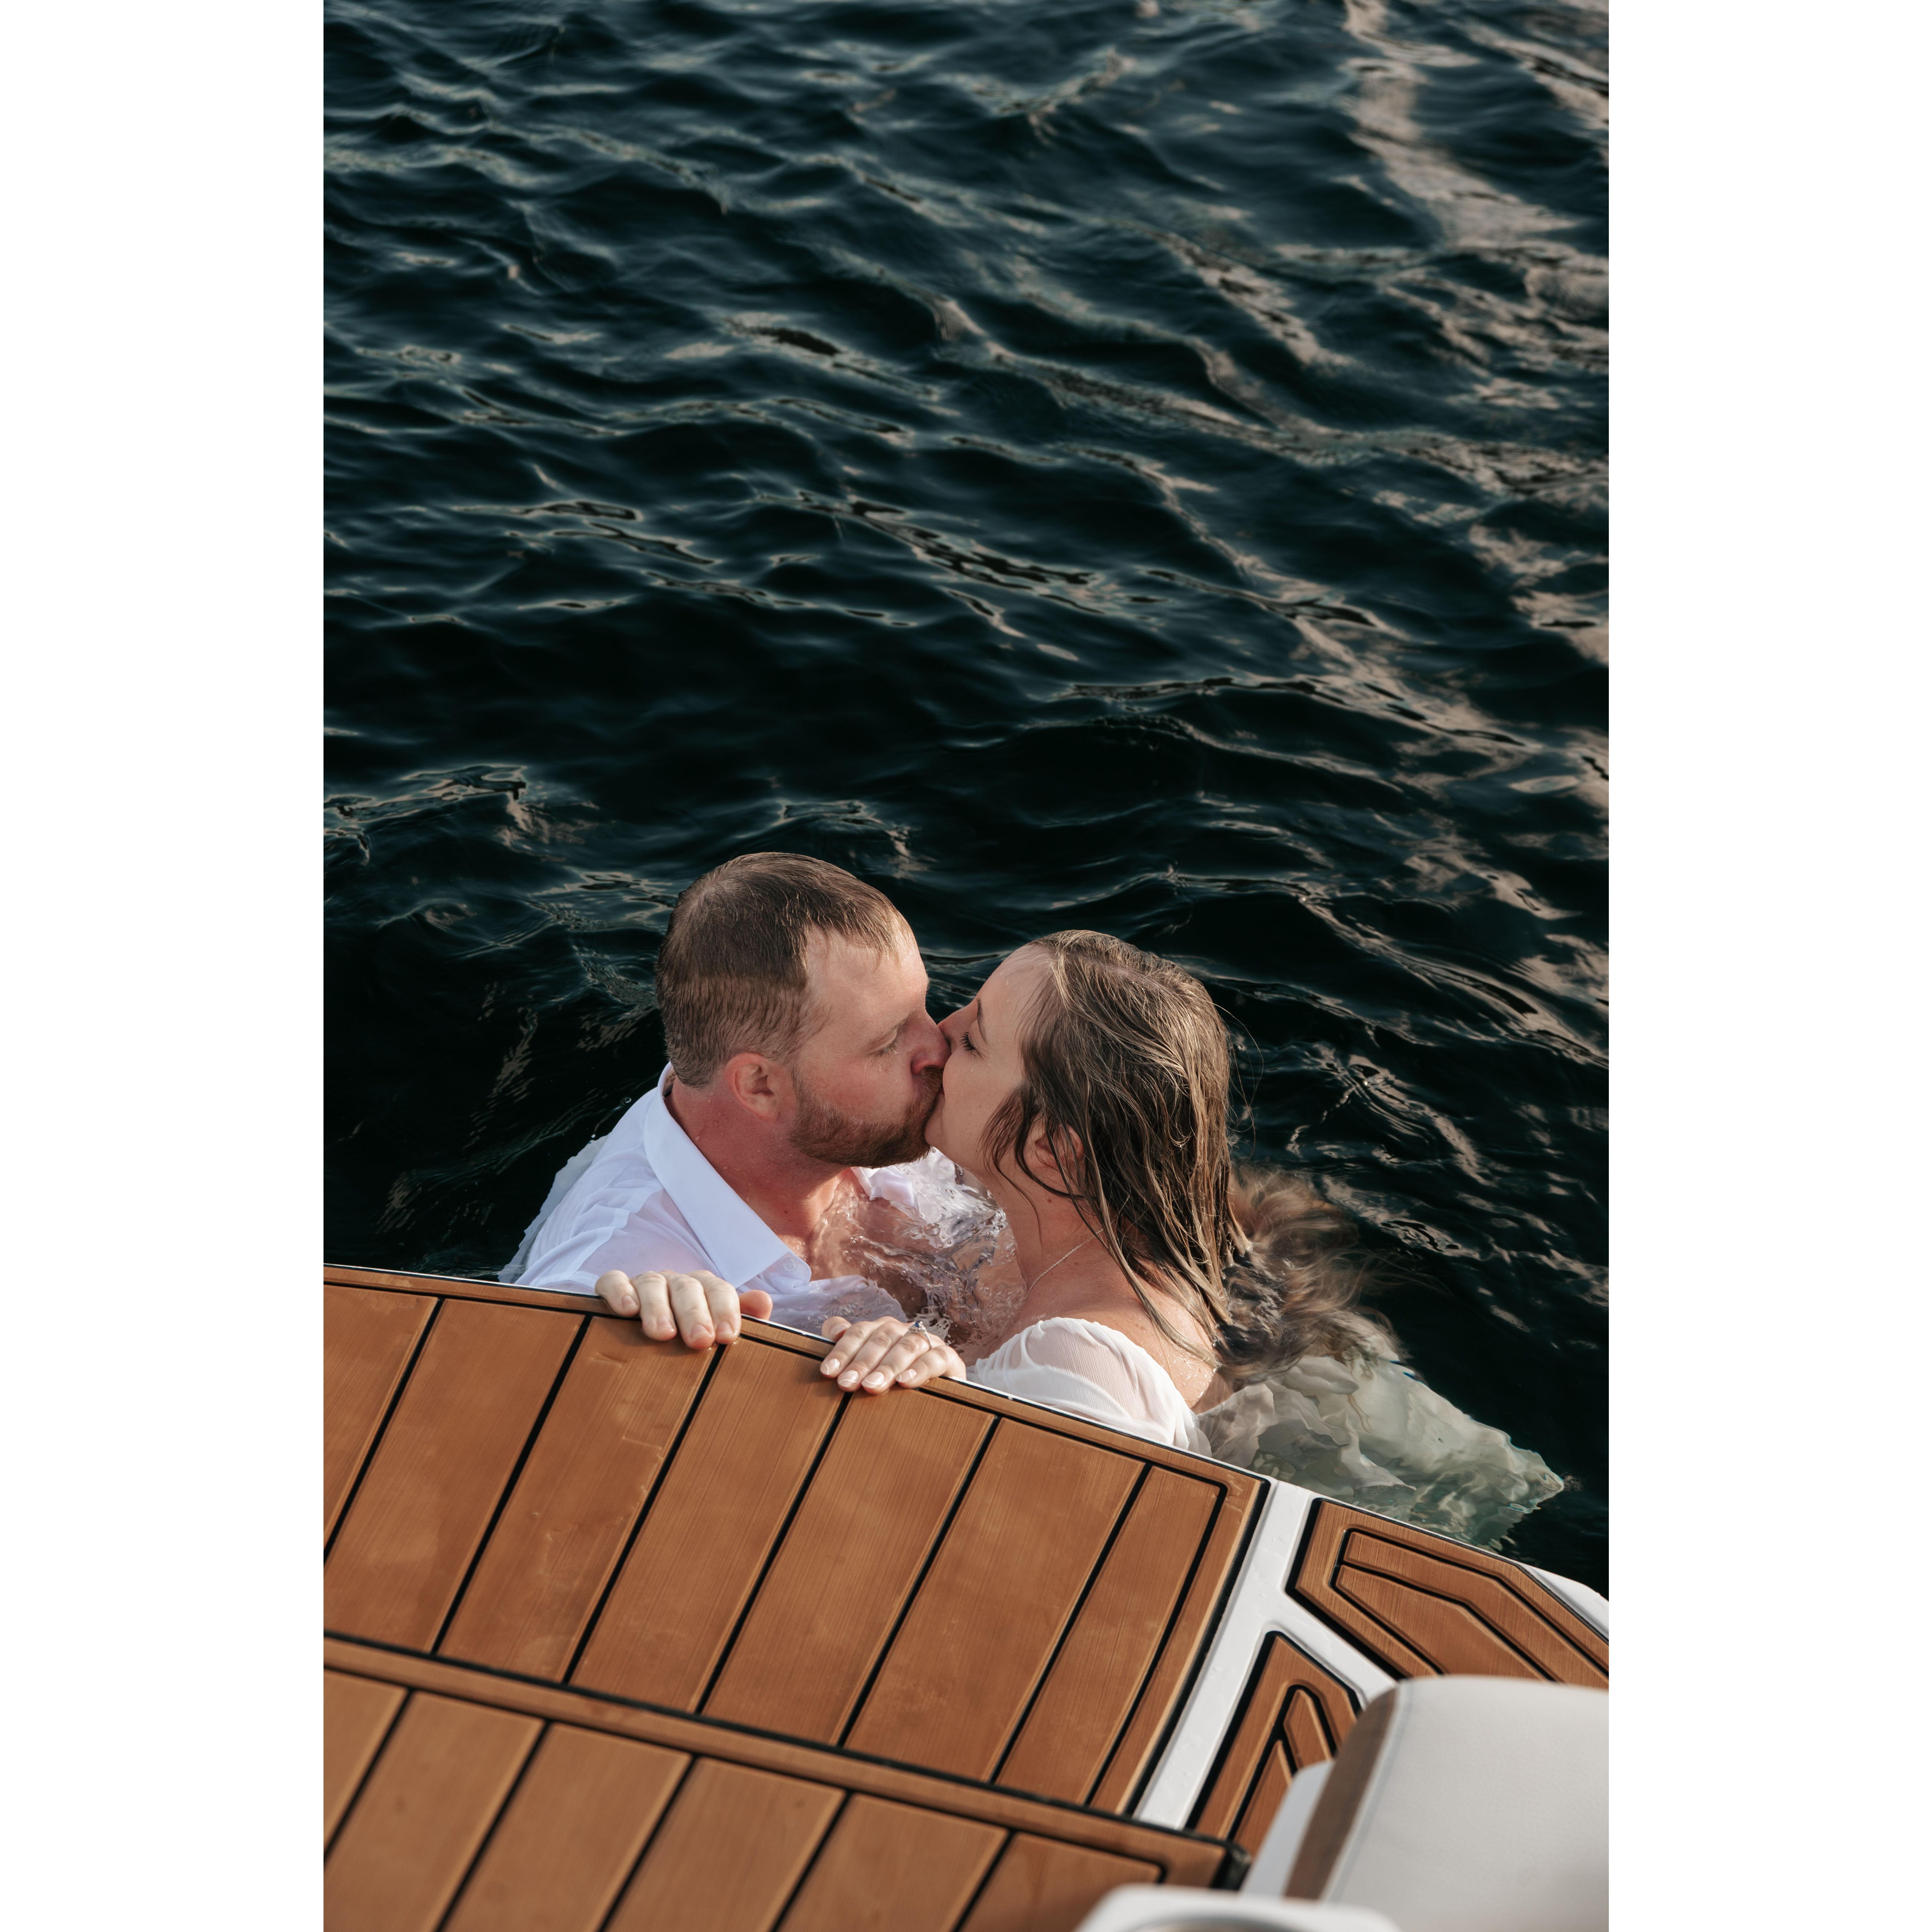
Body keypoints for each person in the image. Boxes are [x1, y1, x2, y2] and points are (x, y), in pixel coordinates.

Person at [500, 850, 964, 1391]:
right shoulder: (620, 1278)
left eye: (922, 1006)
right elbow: (508, 1386)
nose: (938, 1047)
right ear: (760, 1085)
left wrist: (956, 1369)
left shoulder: (884, 1121)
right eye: (886, 1042)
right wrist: (616, 1346)